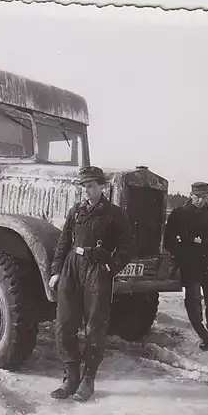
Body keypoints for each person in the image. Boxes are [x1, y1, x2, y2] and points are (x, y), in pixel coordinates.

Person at [49, 166, 134, 402]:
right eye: (84, 186)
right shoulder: (76, 211)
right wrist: (56, 271)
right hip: (72, 267)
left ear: (101, 186)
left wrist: (110, 267)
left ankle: (88, 380)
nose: (87, 190)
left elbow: (127, 247)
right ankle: (71, 376)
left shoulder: (115, 214)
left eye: (91, 186)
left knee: (94, 327)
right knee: (64, 324)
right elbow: (63, 242)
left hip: (97, 270)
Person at [164, 181, 208, 351]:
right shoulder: (179, 214)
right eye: (197, 196)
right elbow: (168, 240)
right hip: (190, 265)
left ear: (207, 196)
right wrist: (183, 249)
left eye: (204, 197)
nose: (200, 200)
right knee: (193, 302)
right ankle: (205, 336)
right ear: (190, 195)